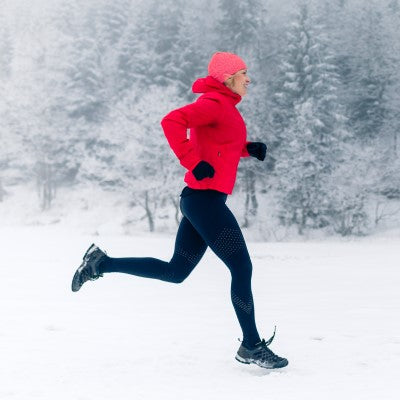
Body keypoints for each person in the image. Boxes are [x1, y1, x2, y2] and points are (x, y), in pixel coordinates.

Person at [71, 52, 288, 369]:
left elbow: (219, 144)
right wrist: (191, 162)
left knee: (176, 272)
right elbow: (172, 121)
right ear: (228, 78)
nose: (248, 78)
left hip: (202, 201)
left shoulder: (223, 107)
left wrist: (246, 149)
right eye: (243, 73)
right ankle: (251, 345)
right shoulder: (213, 103)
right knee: (242, 269)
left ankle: (100, 263)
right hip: (204, 201)